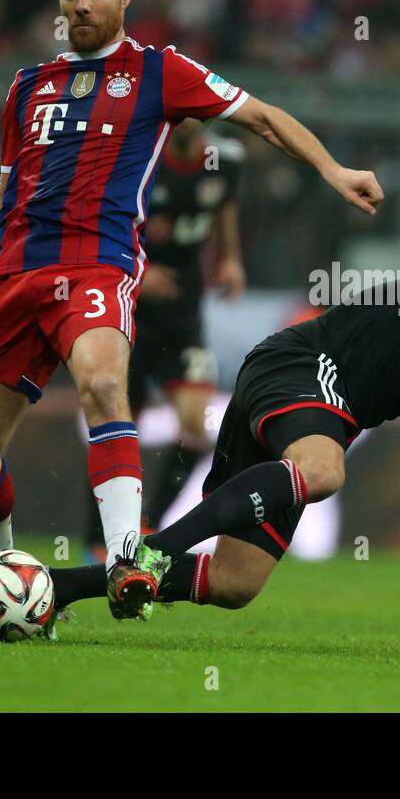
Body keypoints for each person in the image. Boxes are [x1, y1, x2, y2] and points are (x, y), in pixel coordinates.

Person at [0, 0, 382, 633]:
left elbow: (261, 116)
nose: (81, 6)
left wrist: (334, 171)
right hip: (12, 272)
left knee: (104, 382)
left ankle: (125, 559)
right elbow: (11, 195)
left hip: (97, 261)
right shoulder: (29, 86)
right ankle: (20, 592)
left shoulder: (159, 72)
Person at [47, 155, 400, 659]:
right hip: (298, 361)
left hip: (320, 415)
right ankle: (154, 550)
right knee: (324, 471)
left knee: (235, 584)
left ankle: (57, 588)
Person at [83, 119, 247, 562]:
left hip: (184, 319)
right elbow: (104, 219)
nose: (192, 117)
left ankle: (148, 524)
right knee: (115, 426)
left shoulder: (224, 161)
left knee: (195, 429)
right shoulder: (140, 159)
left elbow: (225, 204)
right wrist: (139, 271)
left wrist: (231, 259)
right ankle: (95, 541)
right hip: (129, 313)